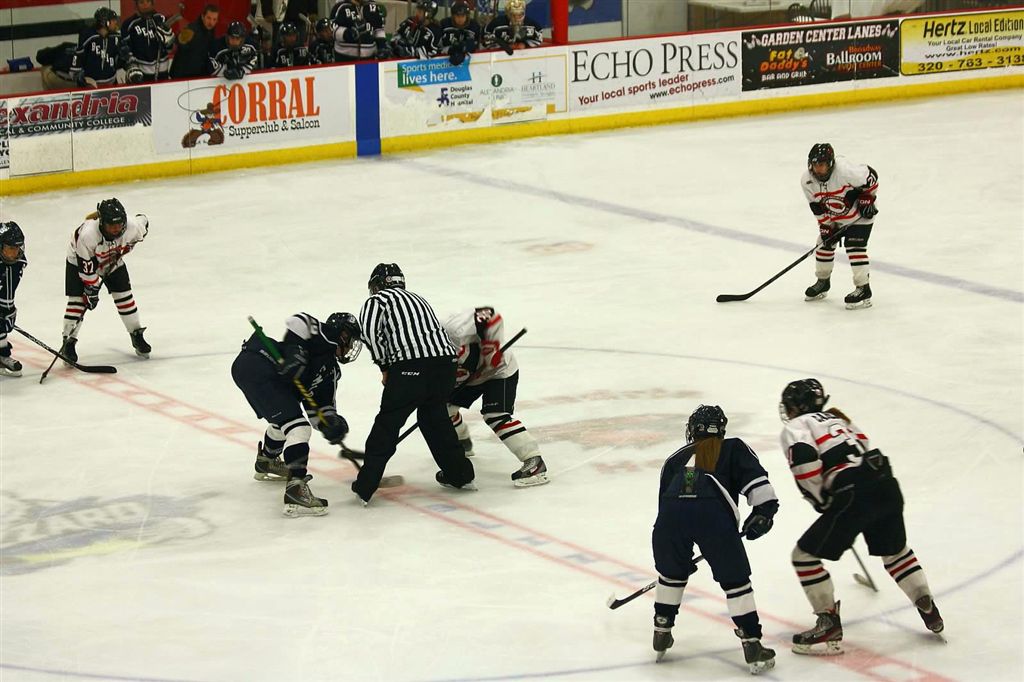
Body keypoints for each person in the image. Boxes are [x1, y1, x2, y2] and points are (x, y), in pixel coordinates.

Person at [779, 379, 944, 655]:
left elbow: (805, 460)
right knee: (895, 551)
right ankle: (925, 602)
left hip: (853, 490)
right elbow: (863, 443)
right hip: (884, 480)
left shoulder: (797, 425)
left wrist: (821, 498)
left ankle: (828, 622)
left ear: (797, 406)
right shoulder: (837, 418)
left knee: (804, 557)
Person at [651, 405, 779, 674]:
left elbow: (666, 509)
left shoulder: (675, 458)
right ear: (721, 429)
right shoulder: (732, 448)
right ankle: (751, 642)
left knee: (671, 575)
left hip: (669, 520)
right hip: (712, 515)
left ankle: (662, 627)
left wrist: (679, 558)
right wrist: (763, 513)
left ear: (692, 430)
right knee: (735, 581)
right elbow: (759, 486)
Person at [352, 263, 475, 504]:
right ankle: (461, 475)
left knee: (388, 424)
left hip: (411, 366)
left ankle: (365, 486)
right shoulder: (418, 299)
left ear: (377, 285)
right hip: (446, 365)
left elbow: (370, 334)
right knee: (435, 419)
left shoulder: (377, 301)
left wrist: (384, 366)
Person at [231, 312, 360, 517]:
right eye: (351, 340)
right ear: (343, 335)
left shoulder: (330, 372)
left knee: (286, 423)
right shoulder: (327, 336)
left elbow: (319, 410)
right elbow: (299, 321)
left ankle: (267, 460)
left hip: (260, 375)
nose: (351, 347)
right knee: (298, 429)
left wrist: (330, 423)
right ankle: (296, 488)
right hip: (259, 363)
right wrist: (295, 352)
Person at [442, 307, 547, 487]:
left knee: (495, 415)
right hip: (467, 377)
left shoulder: (453, 328)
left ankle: (534, 462)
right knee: (443, 410)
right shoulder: (421, 350)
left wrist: (491, 350)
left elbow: (488, 314)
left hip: (499, 371)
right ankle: (462, 442)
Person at [60, 199, 150, 365]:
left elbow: (144, 220)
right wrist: (91, 291)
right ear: (102, 223)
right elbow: (87, 270)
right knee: (78, 301)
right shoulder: (87, 236)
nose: (116, 229)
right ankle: (68, 342)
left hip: (111, 260)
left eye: (119, 224)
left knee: (124, 296)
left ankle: (136, 334)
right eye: (111, 225)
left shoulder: (133, 227)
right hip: (79, 261)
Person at [802, 143, 878, 309]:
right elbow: (816, 207)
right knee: (822, 245)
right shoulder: (807, 181)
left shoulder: (845, 171)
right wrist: (825, 226)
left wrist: (867, 198)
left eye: (822, 165)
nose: (818, 169)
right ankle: (823, 282)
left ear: (830, 164)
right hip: (835, 218)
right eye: (815, 164)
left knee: (854, 247)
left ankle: (863, 288)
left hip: (858, 217)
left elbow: (871, 176)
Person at [120, 0, 176, 82]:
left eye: (148, 1)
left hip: (163, 73)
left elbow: (171, 48)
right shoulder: (129, 24)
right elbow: (124, 49)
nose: (145, 5)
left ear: (152, 3)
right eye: (141, 2)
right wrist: (131, 66)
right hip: (140, 74)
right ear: (136, 5)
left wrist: (169, 41)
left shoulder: (161, 19)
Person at [70, 8, 123, 88]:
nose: (116, 22)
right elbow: (78, 55)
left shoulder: (116, 37)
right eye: (113, 20)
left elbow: (121, 58)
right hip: (91, 83)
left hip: (111, 82)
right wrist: (78, 76)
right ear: (105, 22)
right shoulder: (88, 35)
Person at [0, 222, 27, 378]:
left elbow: (8, 289)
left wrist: (8, 310)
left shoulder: (17, 263)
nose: (15, 252)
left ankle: (2, 354)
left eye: (17, 247)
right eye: (10, 248)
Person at [169, 4, 220, 79]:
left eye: (214, 19)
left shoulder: (211, 31)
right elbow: (177, 43)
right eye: (209, 18)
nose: (211, 22)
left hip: (196, 74)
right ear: (202, 17)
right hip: (181, 76)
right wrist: (180, 40)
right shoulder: (191, 29)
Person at [440, 1, 481, 66]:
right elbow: (439, 45)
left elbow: (478, 45)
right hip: (444, 63)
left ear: (467, 15)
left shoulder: (474, 26)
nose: (460, 19)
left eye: (463, 16)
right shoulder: (444, 24)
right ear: (453, 16)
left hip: (470, 63)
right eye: (457, 16)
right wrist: (450, 50)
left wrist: (465, 48)